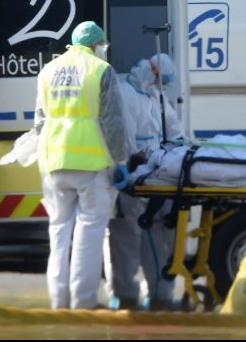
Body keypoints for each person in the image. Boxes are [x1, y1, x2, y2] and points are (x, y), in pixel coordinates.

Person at [35, 20, 127, 310]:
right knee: (89, 231)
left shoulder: (48, 70)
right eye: (102, 45)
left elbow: (39, 121)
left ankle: (58, 302)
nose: (103, 49)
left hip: (54, 163)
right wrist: (121, 160)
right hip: (91, 163)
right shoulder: (101, 70)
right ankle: (83, 303)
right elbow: (113, 121)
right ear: (94, 45)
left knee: (59, 231)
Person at [105, 53, 182, 310]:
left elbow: (174, 131)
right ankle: (125, 293)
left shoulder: (155, 98)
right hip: (133, 174)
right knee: (125, 236)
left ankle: (159, 293)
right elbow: (124, 138)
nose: (160, 86)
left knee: (158, 235)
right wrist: (129, 163)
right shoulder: (124, 96)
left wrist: (177, 150)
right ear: (151, 71)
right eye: (158, 78)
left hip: (157, 174)